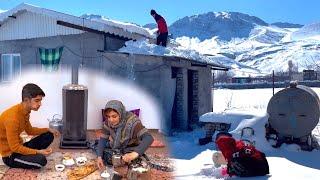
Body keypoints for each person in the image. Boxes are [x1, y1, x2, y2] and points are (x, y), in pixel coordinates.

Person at [0, 83, 59, 169]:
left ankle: (32, 156)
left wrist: (48, 129)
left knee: (48, 135)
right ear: (26, 100)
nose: (40, 104)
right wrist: (38, 152)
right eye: (37, 100)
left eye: (40, 100)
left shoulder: (25, 111)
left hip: (20, 147)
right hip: (10, 155)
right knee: (41, 161)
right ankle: (33, 157)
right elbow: (15, 147)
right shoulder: (12, 118)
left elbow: (30, 131)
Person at [96, 100, 154, 169]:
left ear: (121, 114)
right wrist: (99, 157)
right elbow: (103, 139)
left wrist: (134, 154)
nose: (111, 120)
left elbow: (149, 138)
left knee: (138, 162)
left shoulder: (133, 122)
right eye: (108, 116)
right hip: (116, 146)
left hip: (131, 147)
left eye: (114, 116)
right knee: (96, 146)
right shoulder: (108, 122)